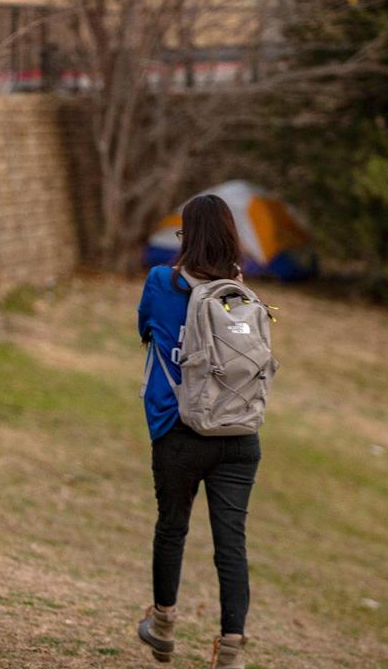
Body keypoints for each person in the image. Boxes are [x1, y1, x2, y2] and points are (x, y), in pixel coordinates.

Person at [135, 194, 261, 668]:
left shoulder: (160, 282)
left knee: (172, 528)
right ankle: (230, 649)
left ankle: (163, 625)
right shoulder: (241, 291)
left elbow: (144, 328)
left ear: (186, 236)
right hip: (239, 435)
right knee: (233, 543)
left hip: (179, 429)